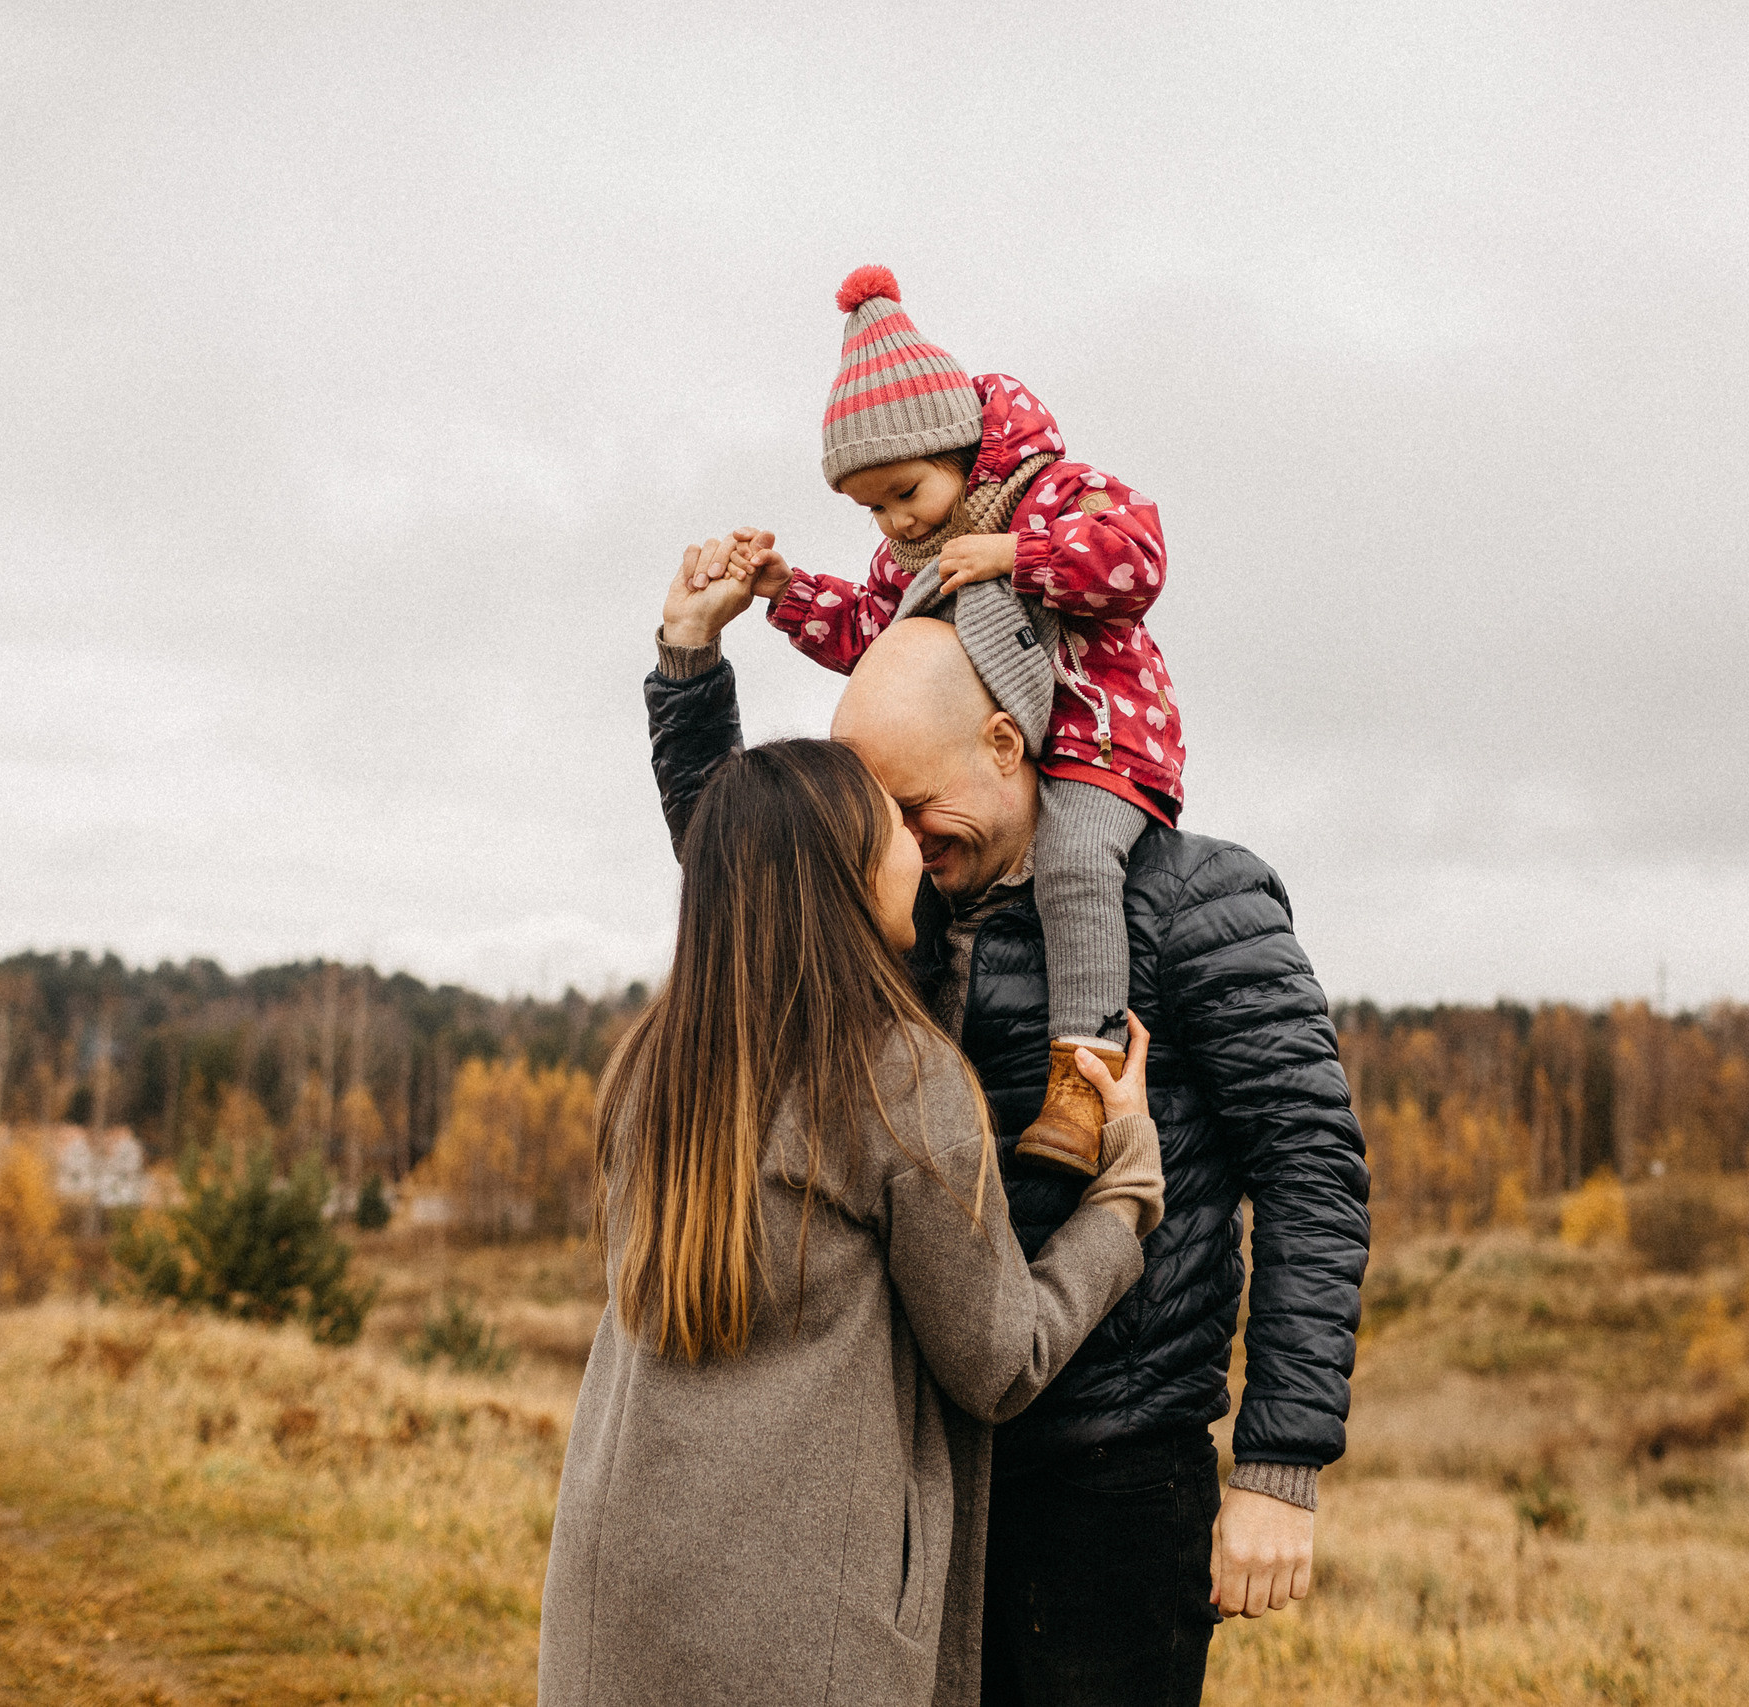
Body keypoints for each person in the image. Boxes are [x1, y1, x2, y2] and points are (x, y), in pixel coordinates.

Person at [648, 537, 1370, 1707]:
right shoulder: (901, 913)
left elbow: (1310, 1175)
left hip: (1111, 1476)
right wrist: (689, 664)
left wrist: (1279, 1466)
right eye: (879, 821)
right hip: (919, 1469)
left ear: (1003, 743)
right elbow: (752, 886)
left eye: (916, 807)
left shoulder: (1195, 901)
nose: (901, 842)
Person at [537, 736, 1167, 1707]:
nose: (917, 842)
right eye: (892, 827)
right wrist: (1125, 1190)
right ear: (846, 872)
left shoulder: (654, 1064)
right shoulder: (895, 1077)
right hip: (795, 1640)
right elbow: (1001, 1361)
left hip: (614, 1604)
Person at [710, 265, 1184, 1177]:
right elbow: (873, 634)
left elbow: (1138, 559)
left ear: (957, 449)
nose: (893, 522)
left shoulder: (1057, 491)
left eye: (904, 491)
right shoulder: (911, 555)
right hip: (997, 754)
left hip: (1102, 735)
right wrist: (785, 590)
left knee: (1075, 865)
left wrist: (1019, 553)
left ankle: (1082, 1081)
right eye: (872, 508)